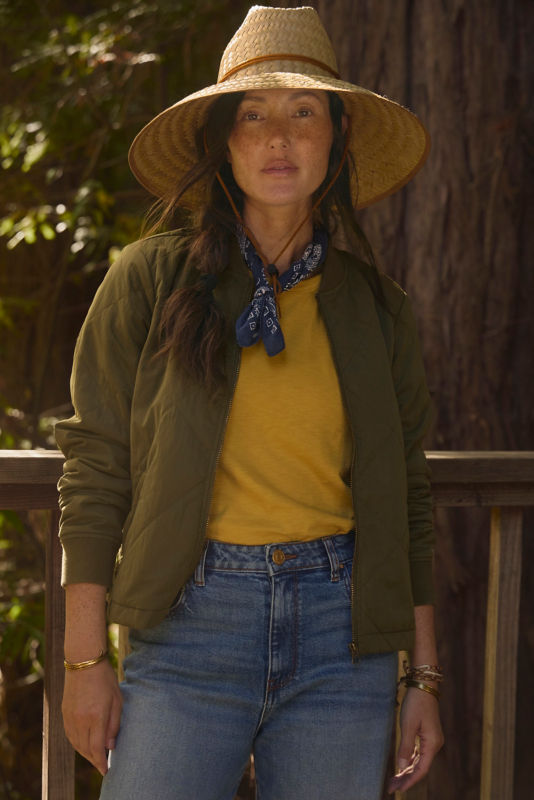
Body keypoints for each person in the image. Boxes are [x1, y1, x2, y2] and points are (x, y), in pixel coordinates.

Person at [56, 6, 444, 799]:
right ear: (222, 139)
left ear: (334, 137)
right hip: (189, 625)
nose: (278, 138)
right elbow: (95, 473)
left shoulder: (376, 308)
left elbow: (408, 498)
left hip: (344, 641)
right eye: (254, 114)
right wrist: (85, 661)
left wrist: (423, 678)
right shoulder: (149, 280)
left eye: (303, 113)